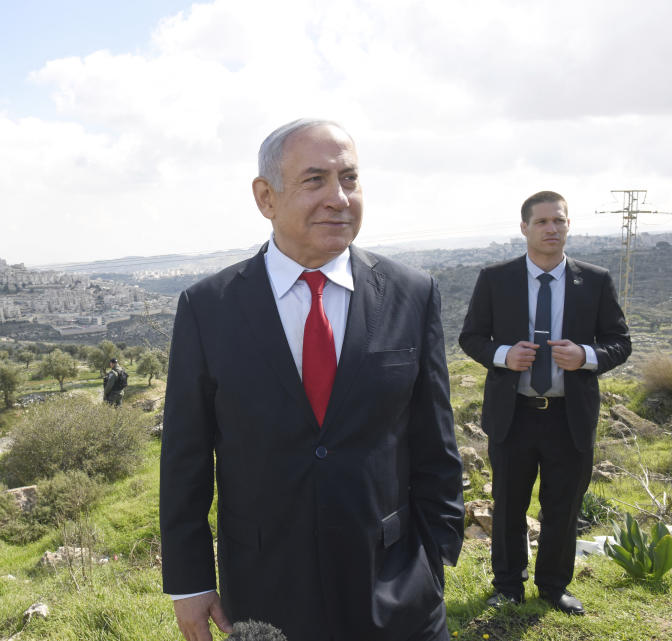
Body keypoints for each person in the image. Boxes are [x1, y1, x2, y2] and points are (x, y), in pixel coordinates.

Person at [159, 119, 465, 641]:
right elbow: (186, 456)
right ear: (265, 197)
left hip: (395, 586)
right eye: (314, 180)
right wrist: (189, 584)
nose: (338, 198)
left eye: (349, 178)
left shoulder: (411, 294)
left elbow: (433, 438)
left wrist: (436, 554)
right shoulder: (208, 308)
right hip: (264, 590)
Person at [459, 191, 631, 615]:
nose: (552, 229)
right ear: (524, 228)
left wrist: (586, 357)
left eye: (559, 221)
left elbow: (620, 342)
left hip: (569, 419)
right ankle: (508, 587)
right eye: (542, 222)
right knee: (509, 507)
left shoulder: (595, 280)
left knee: (563, 507)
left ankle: (554, 588)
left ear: (568, 225)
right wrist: (503, 356)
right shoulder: (495, 278)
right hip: (512, 416)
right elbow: (471, 337)